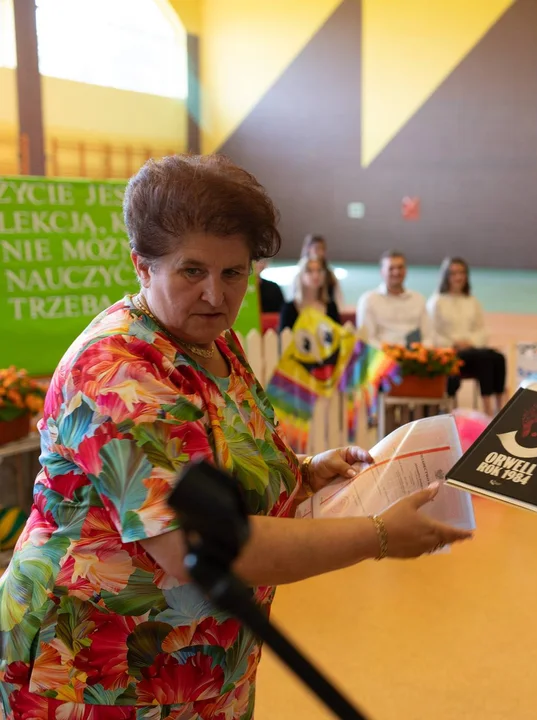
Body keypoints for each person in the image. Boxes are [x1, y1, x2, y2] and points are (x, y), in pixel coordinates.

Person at [0, 155, 472, 719]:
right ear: (141, 266)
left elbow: (215, 461)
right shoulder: (119, 372)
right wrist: (377, 536)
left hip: (195, 664)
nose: (215, 296)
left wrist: (301, 470)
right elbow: (194, 548)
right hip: (91, 671)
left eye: (234, 273)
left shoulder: (210, 343)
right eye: (191, 271)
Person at [427, 257, 508, 415]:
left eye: (462, 273)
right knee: (485, 358)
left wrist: (470, 342)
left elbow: (481, 330)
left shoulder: (472, 301)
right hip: (450, 353)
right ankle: (488, 411)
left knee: (498, 358)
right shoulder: (436, 302)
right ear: (446, 277)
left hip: (473, 351)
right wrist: (454, 343)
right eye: (453, 273)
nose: (458, 277)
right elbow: (432, 333)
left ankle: (501, 408)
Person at [357, 250, 432, 347]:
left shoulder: (419, 299)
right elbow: (367, 339)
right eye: (391, 268)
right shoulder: (368, 300)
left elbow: (428, 337)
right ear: (382, 272)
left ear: (406, 270)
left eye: (400, 267)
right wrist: (393, 354)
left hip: (415, 357)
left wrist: (420, 354)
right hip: (382, 357)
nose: (396, 272)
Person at [279, 256, 341, 330]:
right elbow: (284, 337)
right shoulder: (289, 308)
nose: (316, 275)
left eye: (319, 270)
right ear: (301, 276)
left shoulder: (331, 307)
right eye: (309, 271)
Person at [300, 233, 345, 308]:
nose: (315, 275)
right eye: (317, 248)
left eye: (323, 249)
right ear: (308, 249)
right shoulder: (299, 274)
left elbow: (339, 298)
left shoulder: (330, 275)